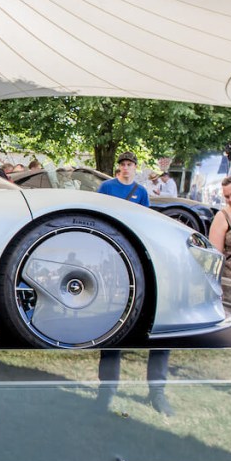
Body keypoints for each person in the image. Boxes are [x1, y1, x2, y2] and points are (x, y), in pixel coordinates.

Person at [95, 150, 170, 416]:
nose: (126, 168)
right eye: (123, 164)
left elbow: (145, 221)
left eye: (130, 164)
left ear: (136, 168)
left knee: (156, 324)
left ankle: (157, 391)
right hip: (110, 256)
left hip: (136, 256)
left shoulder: (141, 191)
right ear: (118, 167)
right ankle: (107, 391)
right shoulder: (106, 187)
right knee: (112, 320)